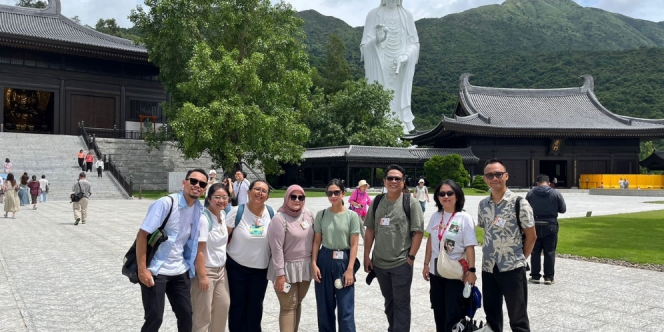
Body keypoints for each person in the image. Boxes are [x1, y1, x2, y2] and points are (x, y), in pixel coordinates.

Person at [136, 168, 207, 332]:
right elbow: (142, 235)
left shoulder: (198, 210)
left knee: (186, 316)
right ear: (184, 182)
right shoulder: (166, 203)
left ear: (204, 189)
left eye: (202, 184)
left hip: (180, 271)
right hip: (156, 270)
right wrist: (142, 270)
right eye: (193, 181)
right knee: (154, 318)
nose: (197, 185)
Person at [364, 164, 424, 332]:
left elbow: (418, 232)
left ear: (403, 182)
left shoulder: (411, 203)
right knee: (389, 302)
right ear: (384, 181)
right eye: (390, 178)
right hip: (380, 264)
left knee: (401, 303)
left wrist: (410, 258)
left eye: (398, 178)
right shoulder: (377, 202)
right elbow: (370, 229)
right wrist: (367, 256)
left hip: (401, 263)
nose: (393, 181)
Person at [478, 159, 536, 332]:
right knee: (492, 315)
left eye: (498, 174)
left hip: (512, 267)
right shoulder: (483, 205)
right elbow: (486, 231)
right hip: (489, 267)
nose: (494, 178)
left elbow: (531, 236)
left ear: (506, 176)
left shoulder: (520, 203)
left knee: (518, 317)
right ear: (485, 179)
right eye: (490, 175)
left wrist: (519, 259)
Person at [422, 180, 478, 331]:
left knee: (453, 314)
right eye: (442, 194)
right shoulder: (436, 216)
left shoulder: (464, 218)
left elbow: (470, 246)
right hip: (436, 272)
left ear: (457, 196)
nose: (446, 196)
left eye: (450, 193)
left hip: (456, 273)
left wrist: (471, 271)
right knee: (438, 311)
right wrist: (426, 264)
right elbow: (431, 241)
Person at [360, 0, 420, 134]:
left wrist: (405, 56)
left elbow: (414, 44)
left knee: (397, 100)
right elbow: (364, 47)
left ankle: (400, 129)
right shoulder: (373, 15)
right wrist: (376, 41)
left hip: (400, 67)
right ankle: (379, 126)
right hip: (379, 66)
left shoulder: (407, 16)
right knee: (381, 97)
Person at [225, 180, 274, 332]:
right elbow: (222, 239)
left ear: (267, 196)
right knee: (237, 306)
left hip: (260, 270)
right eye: (257, 189)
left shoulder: (271, 213)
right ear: (248, 191)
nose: (260, 193)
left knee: (255, 307)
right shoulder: (237, 211)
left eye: (264, 191)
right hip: (236, 268)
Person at [312, 179, 360, 332]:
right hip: (324, 258)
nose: (333, 195)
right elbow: (316, 241)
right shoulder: (322, 214)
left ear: (343, 193)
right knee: (324, 307)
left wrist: (350, 269)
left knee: (346, 308)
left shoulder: (352, 216)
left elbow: (354, 244)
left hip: (344, 261)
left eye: (336, 192)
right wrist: (313, 263)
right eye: (330, 193)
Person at [268, 185, 315, 332]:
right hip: (285, 268)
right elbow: (276, 249)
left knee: (297, 303)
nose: (297, 200)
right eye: (293, 197)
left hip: (305, 268)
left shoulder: (307, 214)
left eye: (301, 197)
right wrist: (280, 275)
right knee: (288, 306)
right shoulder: (279, 219)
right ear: (286, 198)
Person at [191, 182, 231, 332]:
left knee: (222, 307)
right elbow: (199, 251)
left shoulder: (223, 215)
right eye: (217, 197)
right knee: (203, 314)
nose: (222, 200)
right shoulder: (204, 219)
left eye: (225, 197)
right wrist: (202, 276)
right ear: (209, 199)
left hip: (221, 271)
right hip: (206, 271)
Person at [526, 175, 566, 285]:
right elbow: (563, 209)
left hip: (535, 225)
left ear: (537, 183)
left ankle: (535, 276)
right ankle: (549, 277)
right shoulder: (555, 193)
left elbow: (525, 209)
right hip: (551, 225)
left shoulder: (531, 193)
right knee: (549, 252)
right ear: (548, 183)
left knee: (535, 251)